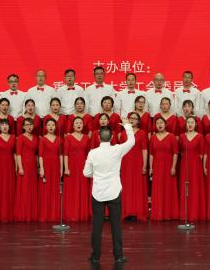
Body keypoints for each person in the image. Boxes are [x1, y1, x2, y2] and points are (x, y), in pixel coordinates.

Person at [83, 116, 136, 264]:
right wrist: (127, 126)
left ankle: (95, 256)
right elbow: (132, 141)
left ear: (98, 137)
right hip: (114, 192)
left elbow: (86, 173)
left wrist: (97, 174)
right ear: (112, 137)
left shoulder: (93, 153)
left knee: (97, 226)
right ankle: (118, 256)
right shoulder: (117, 149)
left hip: (98, 192)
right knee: (116, 225)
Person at [119, 112, 149, 221]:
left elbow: (144, 150)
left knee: (138, 186)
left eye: (135, 118)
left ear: (138, 121)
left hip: (138, 162)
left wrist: (144, 165)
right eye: (130, 118)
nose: (132, 120)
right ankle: (127, 212)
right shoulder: (123, 134)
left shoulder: (142, 133)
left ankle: (137, 212)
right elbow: (120, 150)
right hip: (126, 162)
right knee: (126, 186)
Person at [148, 117, 179, 221]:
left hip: (168, 166)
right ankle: (158, 214)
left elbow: (175, 153)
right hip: (157, 166)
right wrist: (151, 168)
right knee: (158, 189)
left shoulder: (171, 137)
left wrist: (173, 167)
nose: (159, 125)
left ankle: (169, 214)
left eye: (161, 123)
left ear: (165, 124)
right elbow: (151, 154)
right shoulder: (153, 137)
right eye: (157, 123)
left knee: (168, 189)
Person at [63, 117, 91, 221]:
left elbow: (88, 154)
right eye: (76, 123)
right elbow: (65, 154)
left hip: (83, 166)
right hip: (72, 166)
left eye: (80, 123)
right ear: (73, 125)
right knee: (72, 189)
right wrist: (66, 168)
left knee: (83, 188)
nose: (79, 125)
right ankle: (71, 213)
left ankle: (82, 213)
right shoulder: (68, 137)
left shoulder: (86, 137)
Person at [0, 119, 16, 223]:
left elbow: (14, 154)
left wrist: (16, 167)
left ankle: (8, 214)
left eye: (6, 125)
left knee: (9, 188)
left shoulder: (13, 138)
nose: (5, 126)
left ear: (9, 127)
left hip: (10, 165)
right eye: (2, 125)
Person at [14, 118, 39, 222]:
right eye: (27, 125)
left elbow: (36, 154)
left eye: (31, 125)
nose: (29, 127)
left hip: (32, 165)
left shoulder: (35, 138)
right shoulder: (20, 138)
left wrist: (38, 166)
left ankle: (31, 213)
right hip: (24, 164)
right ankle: (23, 213)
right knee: (24, 189)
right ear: (23, 126)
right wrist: (20, 167)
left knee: (32, 187)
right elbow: (18, 154)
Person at [38, 118, 63, 222]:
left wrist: (61, 168)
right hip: (46, 166)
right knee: (46, 190)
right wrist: (41, 168)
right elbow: (40, 155)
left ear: (55, 127)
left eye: (53, 125)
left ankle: (54, 214)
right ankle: (45, 214)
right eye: (49, 125)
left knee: (55, 190)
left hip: (56, 166)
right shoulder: (43, 139)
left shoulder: (59, 139)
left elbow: (61, 155)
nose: (51, 127)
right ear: (45, 127)